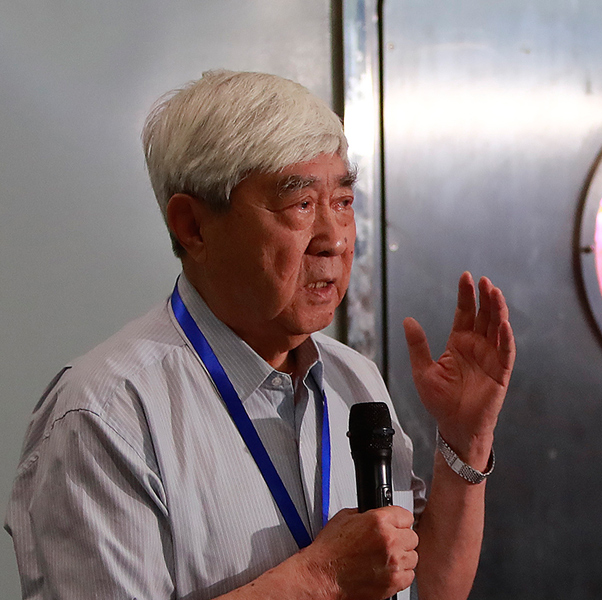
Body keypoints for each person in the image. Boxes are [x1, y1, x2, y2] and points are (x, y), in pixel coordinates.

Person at [5, 70, 515, 600]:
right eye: (301, 204)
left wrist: (466, 439)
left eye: (343, 201)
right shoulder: (107, 415)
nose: (335, 240)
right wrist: (321, 579)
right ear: (193, 226)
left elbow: (425, 588)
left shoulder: (353, 379)